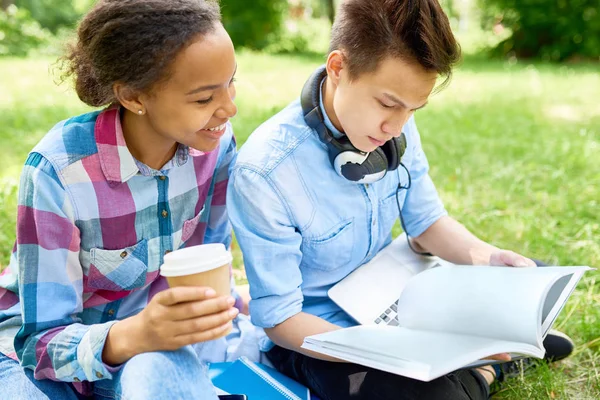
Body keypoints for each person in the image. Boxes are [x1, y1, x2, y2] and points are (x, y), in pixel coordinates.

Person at [227, 0, 574, 399]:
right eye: (388, 104)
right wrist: (400, 349)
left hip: (394, 297)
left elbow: (428, 224)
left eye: (413, 109)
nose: (396, 127)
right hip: (322, 338)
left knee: (535, 280)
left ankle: (479, 361)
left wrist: (489, 258)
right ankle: (488, 370)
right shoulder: (265, 173)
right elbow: (281, 321)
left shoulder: (396, 126)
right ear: (338, 68)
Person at [0, 1, 260, 398]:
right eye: (204, 99)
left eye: (231, 83)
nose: (229, 108)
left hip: (149, 347)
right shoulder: (59, 171)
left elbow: (209, 265)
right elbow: (39, 343)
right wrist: (136, 334)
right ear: (135, 96)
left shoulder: (216, 146)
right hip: (37, 357)